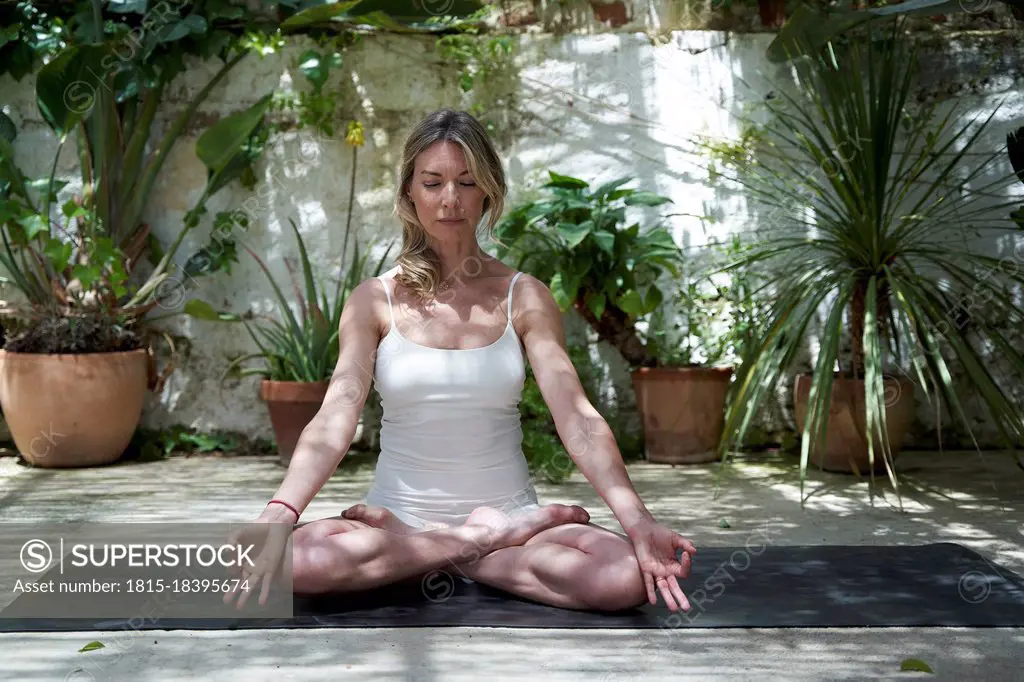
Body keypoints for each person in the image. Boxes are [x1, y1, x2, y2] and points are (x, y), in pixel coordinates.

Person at [225, 109, 696, 614]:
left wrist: (638, 521)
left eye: (467, 182)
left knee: (620, 577)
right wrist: (280, 510)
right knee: (302, 560)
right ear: (409, 192)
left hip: (513, 521)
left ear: (488, 192)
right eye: (433, 182)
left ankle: (459, 552)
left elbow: (576, 417)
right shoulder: (374, 300)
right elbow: (336, 414)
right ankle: (474, 546)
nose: (450, 199)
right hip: (395, 522)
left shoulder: (525, 296)